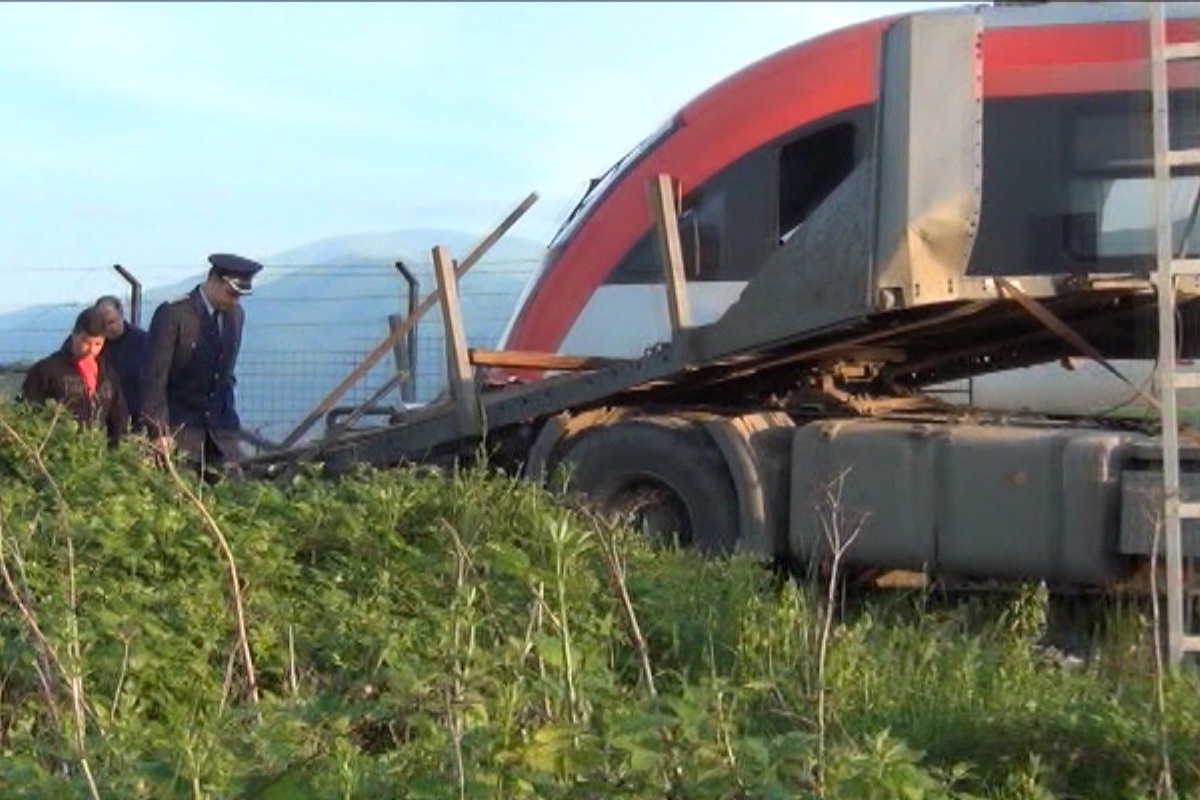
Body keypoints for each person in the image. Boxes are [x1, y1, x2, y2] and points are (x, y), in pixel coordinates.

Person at [141, 253, 262, 474]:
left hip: (222, 431)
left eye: (239, 296)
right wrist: (158, 431)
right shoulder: (173, 314)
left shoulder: (236, 316)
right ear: (214, 280)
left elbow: (225, 373)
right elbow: (154, 377)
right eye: (231, 293)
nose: (235, 300)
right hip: (181, 430)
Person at [20, 307, 128, 445]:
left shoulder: (107, 373)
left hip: (99, 456)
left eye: (97, 344)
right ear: (73, 335)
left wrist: (119, 453)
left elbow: (118, 417)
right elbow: (27, 413)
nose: (91, 350)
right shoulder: (47, 370)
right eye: (85, 342)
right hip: (58, 453)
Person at [93, 294, 149, 430]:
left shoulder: (143, 342)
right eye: (102, 324)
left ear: (121, 315)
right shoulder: (92, 343)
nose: (107, 328)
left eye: (111, 322)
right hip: (101, 419)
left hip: (135, 418)